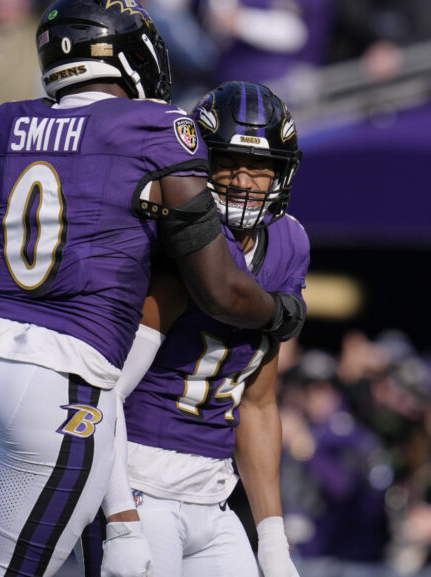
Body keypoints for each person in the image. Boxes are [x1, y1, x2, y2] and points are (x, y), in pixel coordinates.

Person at [0, 3, 306, 577]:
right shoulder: (157, 131)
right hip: (66, 381)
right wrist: (283, 313)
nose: (242, 180)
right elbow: (221, 290)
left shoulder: (4, 126)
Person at [93, 81, 309, 577]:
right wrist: (121, 511)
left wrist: (274, 542)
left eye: (260, 167)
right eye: (229, 162)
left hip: (215, 495)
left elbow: (257, 401)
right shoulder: (181, 242)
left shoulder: (290, 243)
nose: (243, 180)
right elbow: (108, 390)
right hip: (141, 478)